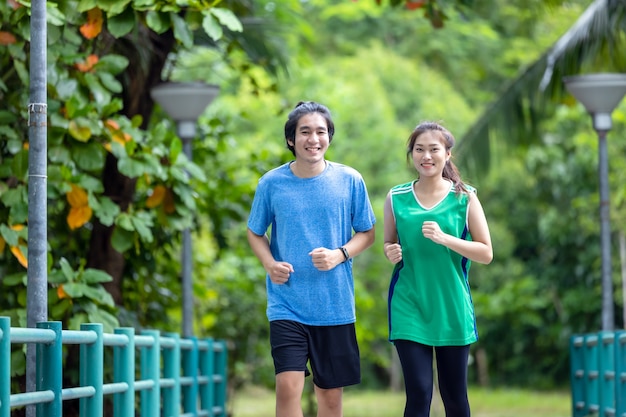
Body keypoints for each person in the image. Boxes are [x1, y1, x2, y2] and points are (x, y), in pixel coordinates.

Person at [247, 101, 376, 417]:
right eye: (305, 132)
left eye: (321, 131)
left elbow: (367, 233)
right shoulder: (271, 184)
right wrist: (269, 264)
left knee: (330, 398)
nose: (313, 139)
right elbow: (254, 232)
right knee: (288, 387)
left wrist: (339, 254)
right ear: (291, 139)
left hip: (334, 305)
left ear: (329, 137)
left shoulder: (349, 180)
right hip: (286, 302)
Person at [383, 121, 493, 417]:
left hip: (451, 306)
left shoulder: (465, 197)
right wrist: (390, 251)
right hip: (409, 303)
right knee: (419, 393)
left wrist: (446, 239)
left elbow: (485, 252)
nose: (426, 156)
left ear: (447, 154)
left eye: (434, 149)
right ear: (412, 154)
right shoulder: (396, 198)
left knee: (454, 396)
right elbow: (389, 244)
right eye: (419, 149)